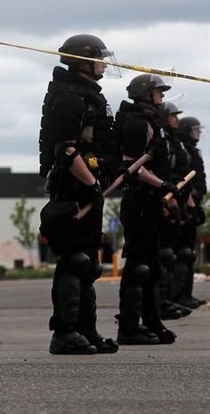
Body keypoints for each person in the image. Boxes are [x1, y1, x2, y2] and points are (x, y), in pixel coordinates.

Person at [38, 33, 120, 355]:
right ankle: (64, 333)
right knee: (75, 260)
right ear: (84, 61)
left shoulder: (87, 95)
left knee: (90, 265)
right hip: (73, 186)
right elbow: (65, 150)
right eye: (99, 58)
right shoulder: (70, 97)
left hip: (89, 185)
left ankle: (87, 331)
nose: (104, 64)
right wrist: (90, 185)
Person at [113, 74, 178, 345]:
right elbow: (132, 167)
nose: (162, 97)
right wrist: (163, 184)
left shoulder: (153, 122)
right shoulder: (137, 123)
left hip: (151, 201)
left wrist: (167, 193)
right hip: (139, 200)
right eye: (158, 92)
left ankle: (152, 322)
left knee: (151, 266)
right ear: (145, 93)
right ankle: (128, 328)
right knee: (138, 266)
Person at [156, 101, 193, 320]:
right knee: (163, 255)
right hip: (159, 201)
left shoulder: (172, 141)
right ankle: (160, 303)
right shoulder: (160, 140)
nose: (176, 119)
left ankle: (169, 300)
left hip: (174, 198)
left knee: (176, 254)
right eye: (172, 115)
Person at [174, 116, 207, 309]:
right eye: (194, 130)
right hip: (186, 203)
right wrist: (190, 203)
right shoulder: (183, 149)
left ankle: (186, 294)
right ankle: (178, 295)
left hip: (194, 202)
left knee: (189, 253)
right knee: (182, 253)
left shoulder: (192, 150)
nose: (198, 134)